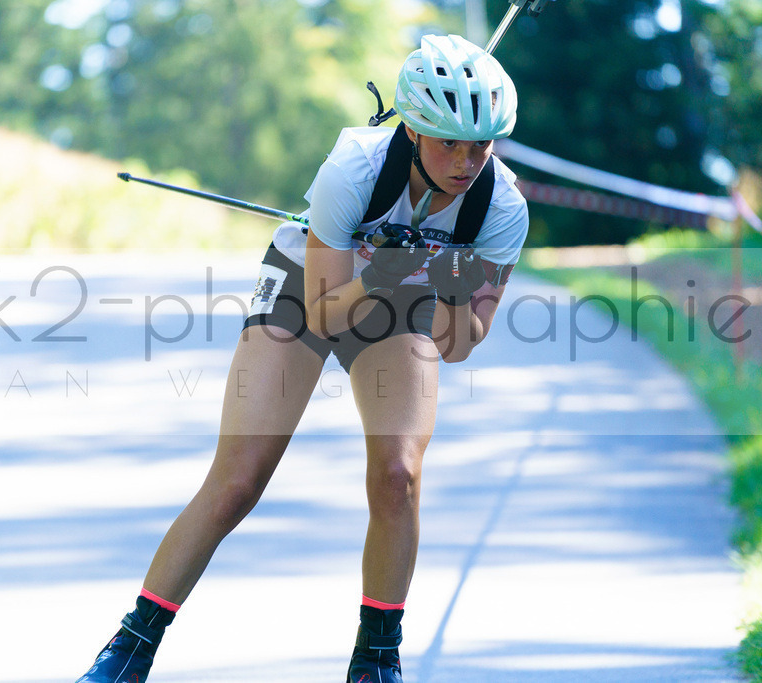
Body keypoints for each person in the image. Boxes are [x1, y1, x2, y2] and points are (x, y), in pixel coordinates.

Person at [76, 33, 528, 683]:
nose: (466, 162)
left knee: (399, 473)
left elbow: (459, 344)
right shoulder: (353, 168)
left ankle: (376, 660)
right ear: (412, 127)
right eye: (449, 142)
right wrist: (385, 269)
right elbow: (324, 315)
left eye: (481, 144)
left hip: (402, 305)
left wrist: (453, 287)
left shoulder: (502, 207)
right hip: (309, 287)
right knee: (238, 479)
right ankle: (128, 649)